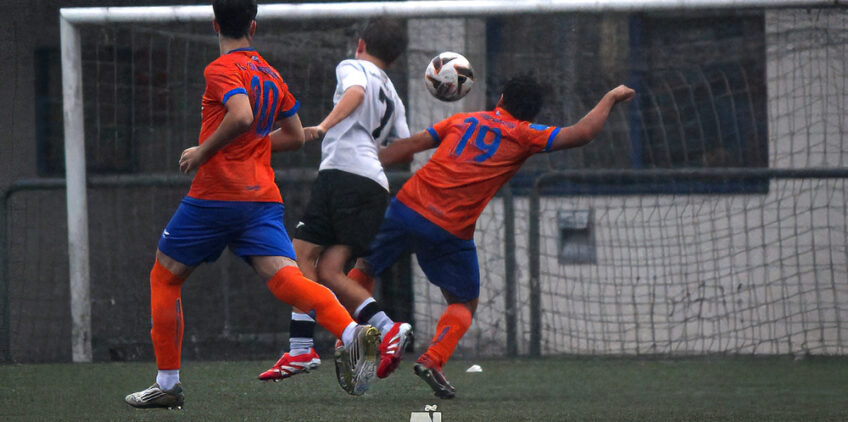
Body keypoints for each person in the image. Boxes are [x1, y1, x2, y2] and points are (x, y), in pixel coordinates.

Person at [124, 0, 380, 408]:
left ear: (214, 24)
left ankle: (168, 384)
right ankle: (351, 334)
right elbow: (294, 137)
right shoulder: (270, 73)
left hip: (213, 196)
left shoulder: (220, 68)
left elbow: (241, 115)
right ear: (253, 27)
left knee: (165, 277)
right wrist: (253, 143)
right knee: (287, 278)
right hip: (260, 198)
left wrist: (203, 151)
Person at [359, 76, 636, 398]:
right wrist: (612, 96)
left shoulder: (463, 119)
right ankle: (433, 359)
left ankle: (352, 339)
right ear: (532, 114)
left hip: (408, 206)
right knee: (463, 302)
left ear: (501, 97)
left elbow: (409, 146)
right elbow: (583, 133)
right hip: (449, 229)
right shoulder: (524, 133)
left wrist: (364, 162)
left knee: (363, 268)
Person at [258, 18, 412, 390]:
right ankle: (387, 329)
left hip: (342, 177)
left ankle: (300, 347)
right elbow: (402, 146)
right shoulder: (393, 92)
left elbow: (355, 93)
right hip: (373, 185)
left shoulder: (352, 66)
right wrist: (371, 158)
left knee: (300, 256)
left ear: (361, 44)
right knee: (328, 270)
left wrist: (324, 127)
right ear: (393, 60)